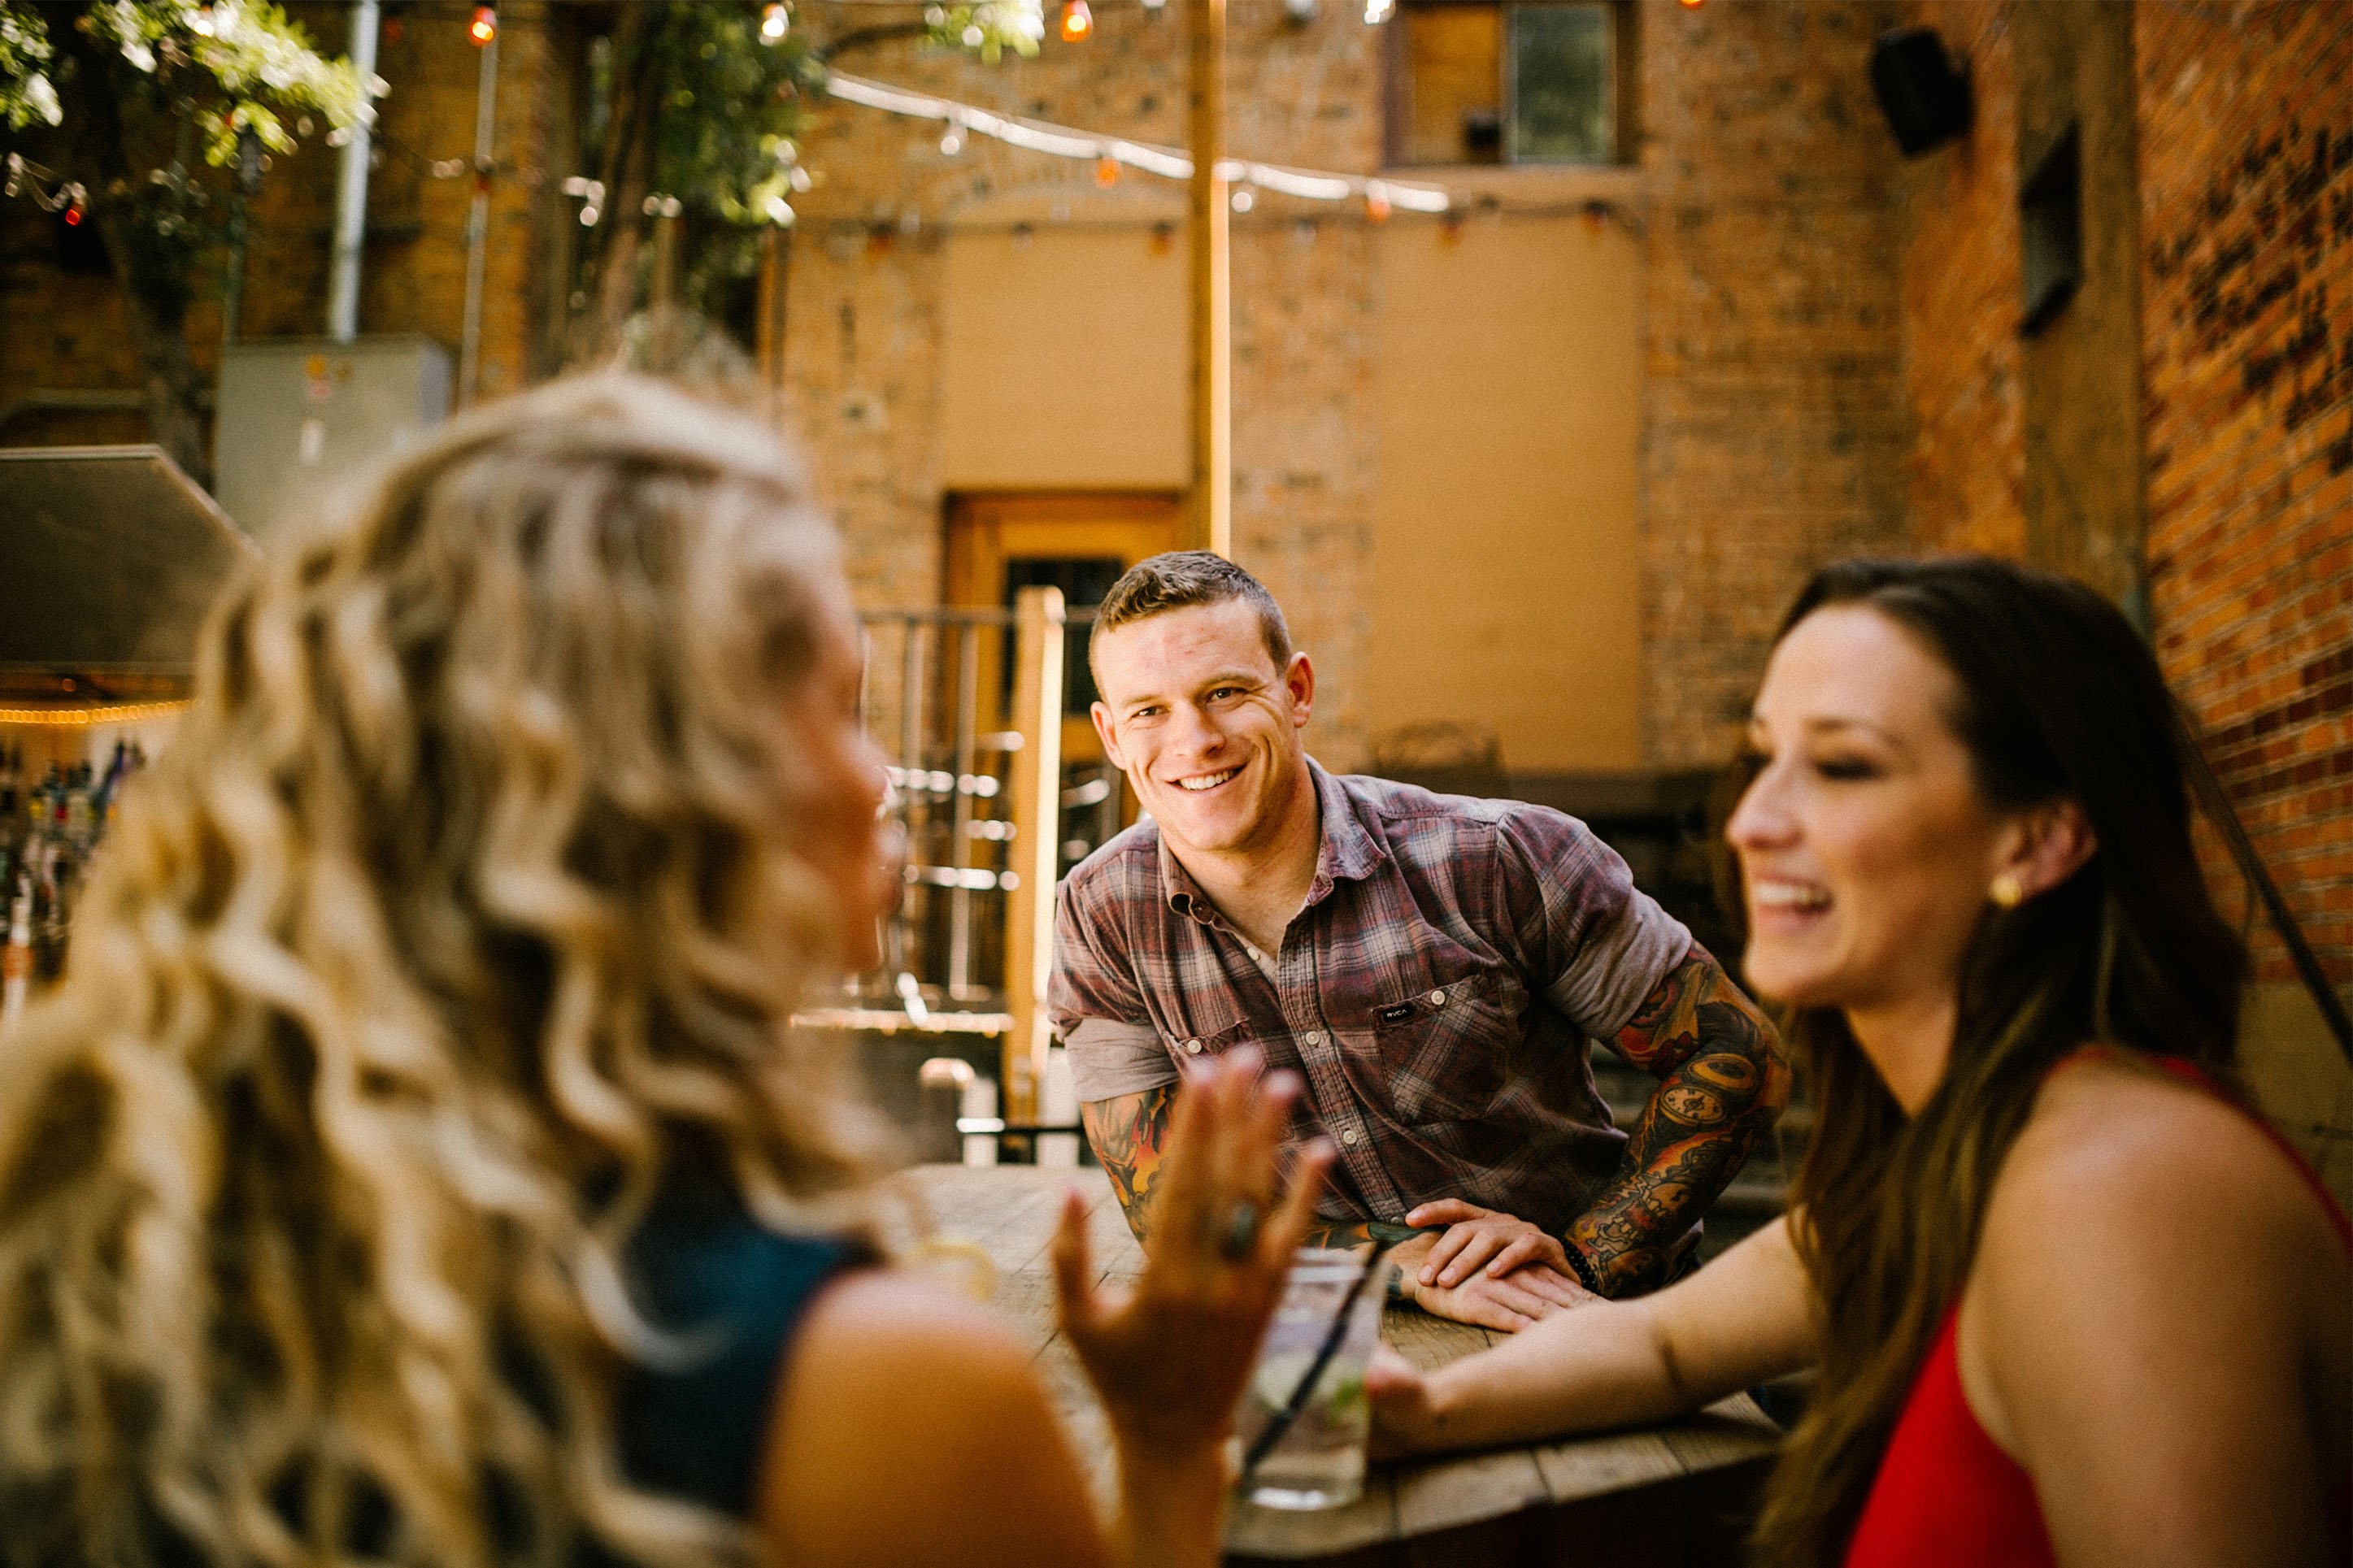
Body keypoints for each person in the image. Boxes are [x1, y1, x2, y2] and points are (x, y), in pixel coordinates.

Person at [0, 375, 1333, 1568]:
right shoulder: (884, 1402)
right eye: (834, 708)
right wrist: (1166, 1445)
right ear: (659, 791)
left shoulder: (95, 1232)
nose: (882, 776)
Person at [1367, 555, 2351, 1566]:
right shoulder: (1957, 1161)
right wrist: (1414, 1413)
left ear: (2039, 838)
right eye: (1759, 759)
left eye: (1841, 767)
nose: (1750, 823)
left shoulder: (2121, 1194)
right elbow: (1663, 1345)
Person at [1053, 552, 1786, 1331]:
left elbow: (1737, 1056)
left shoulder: (1498, 857)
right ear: (1109, 733)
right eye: (1148, 711)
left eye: (1225, 693)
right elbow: (1173, 1217)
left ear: (1296, 691)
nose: (1194, 740)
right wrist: (1393, 1263)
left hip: (1603, 1324)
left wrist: (1577, 1259)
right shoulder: (1103, 917)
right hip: (1326, 1339)